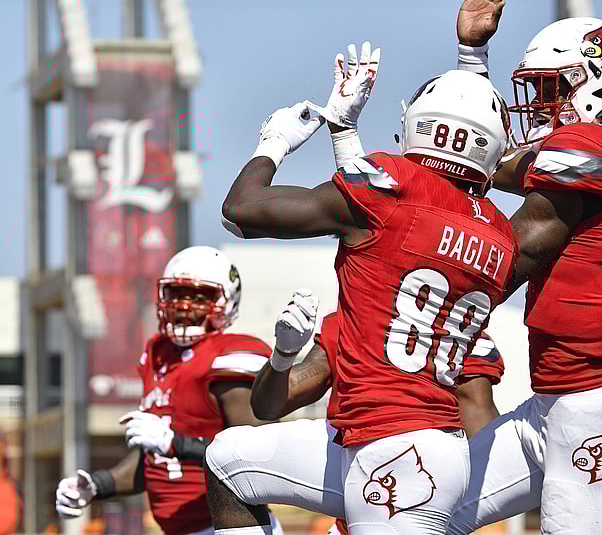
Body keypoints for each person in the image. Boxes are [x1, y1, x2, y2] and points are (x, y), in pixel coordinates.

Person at [209, 35, 527, 532]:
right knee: (230, 459)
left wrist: (274, 142)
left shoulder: (389, 188)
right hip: (421, 444)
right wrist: (344, 135)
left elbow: (242, 211)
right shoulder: (499, 234)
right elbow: (394, 235)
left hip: (394, 450)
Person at [437, 0, 602, 534]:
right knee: (425, 511)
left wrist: (443, 311)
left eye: (550, 87)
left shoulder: (590, 145)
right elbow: (491, 162)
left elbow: (525, 249)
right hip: (555, 404)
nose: (537, 103)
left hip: (593, 411)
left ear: (598, 82)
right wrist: (471, 60)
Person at [55, 246, 283, 535]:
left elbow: (254, 455)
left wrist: (176, 443)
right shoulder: (158, 356)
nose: (183, 305)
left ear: (226, 303)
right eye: (176, 293)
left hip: (231, 527)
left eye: (199, 297)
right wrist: (96, 486)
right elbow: (150, 462)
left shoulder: (229, 355)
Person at [250, 309, 506, 535]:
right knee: (227, 456)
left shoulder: (460, 331)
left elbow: (482, 440)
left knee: (226, 456)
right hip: (355, 510)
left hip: (423, 508)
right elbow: (268, 406)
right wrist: (283, 355)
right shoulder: (348, 322)